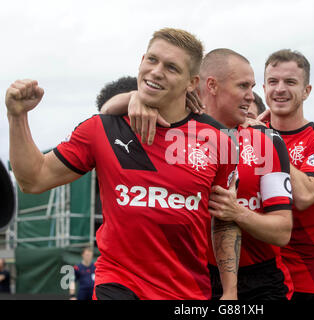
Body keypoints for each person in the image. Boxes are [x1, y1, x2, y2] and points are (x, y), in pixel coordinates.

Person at [5, 27, 241, 300]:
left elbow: (224, 220)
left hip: (187, 290)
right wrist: (17, 116)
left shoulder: (220, 140)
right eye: (152, 60)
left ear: (192, 83)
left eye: (172, 67)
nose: (156, 71)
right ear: (141, 61)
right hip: (118, 283)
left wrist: (230, 290)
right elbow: (33, 179)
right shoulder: (101, 128)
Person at [102, 48, 294, 300]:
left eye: (252, 87)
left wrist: (237, 212)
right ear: (212, 85)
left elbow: (282, 231)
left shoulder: (266, 141)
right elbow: (104, 117)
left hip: (260, 281)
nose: (252, 96)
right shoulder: (172, 130)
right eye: (243, 86)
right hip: (189, 278)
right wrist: (133, 97)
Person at [261, 49, 314, 300]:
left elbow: (306, 195)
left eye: (290, 82)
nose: (280, 89)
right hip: (261, 276)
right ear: (264, 88)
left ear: (307, 90)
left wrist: (268, 139)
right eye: (273, 82)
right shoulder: (248, 133)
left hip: (309, 279)